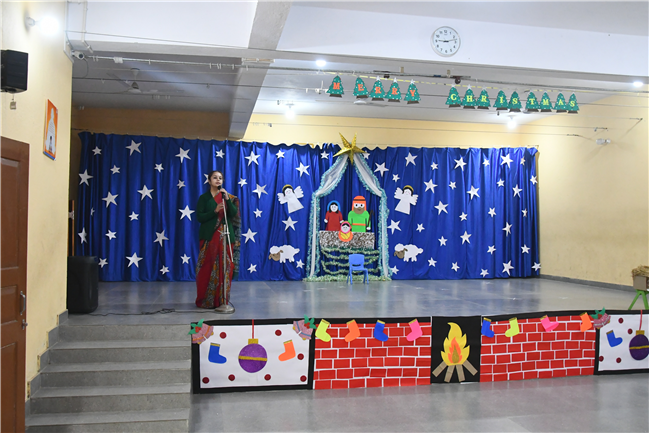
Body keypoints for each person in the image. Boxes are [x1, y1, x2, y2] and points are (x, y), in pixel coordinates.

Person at [195, 170, 241, 309]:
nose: (218, 180)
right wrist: (214, 211)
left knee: (225, 268)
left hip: (226, 238)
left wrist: (226, 199)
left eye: (220, 178)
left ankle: (222, 300)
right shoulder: (204, 198)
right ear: (209, 181)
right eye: (215, 178)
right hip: (209, 238)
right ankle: (206, 300)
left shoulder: (229, 197)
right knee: (206, 268)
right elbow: (199, 217)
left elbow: (233, 214)